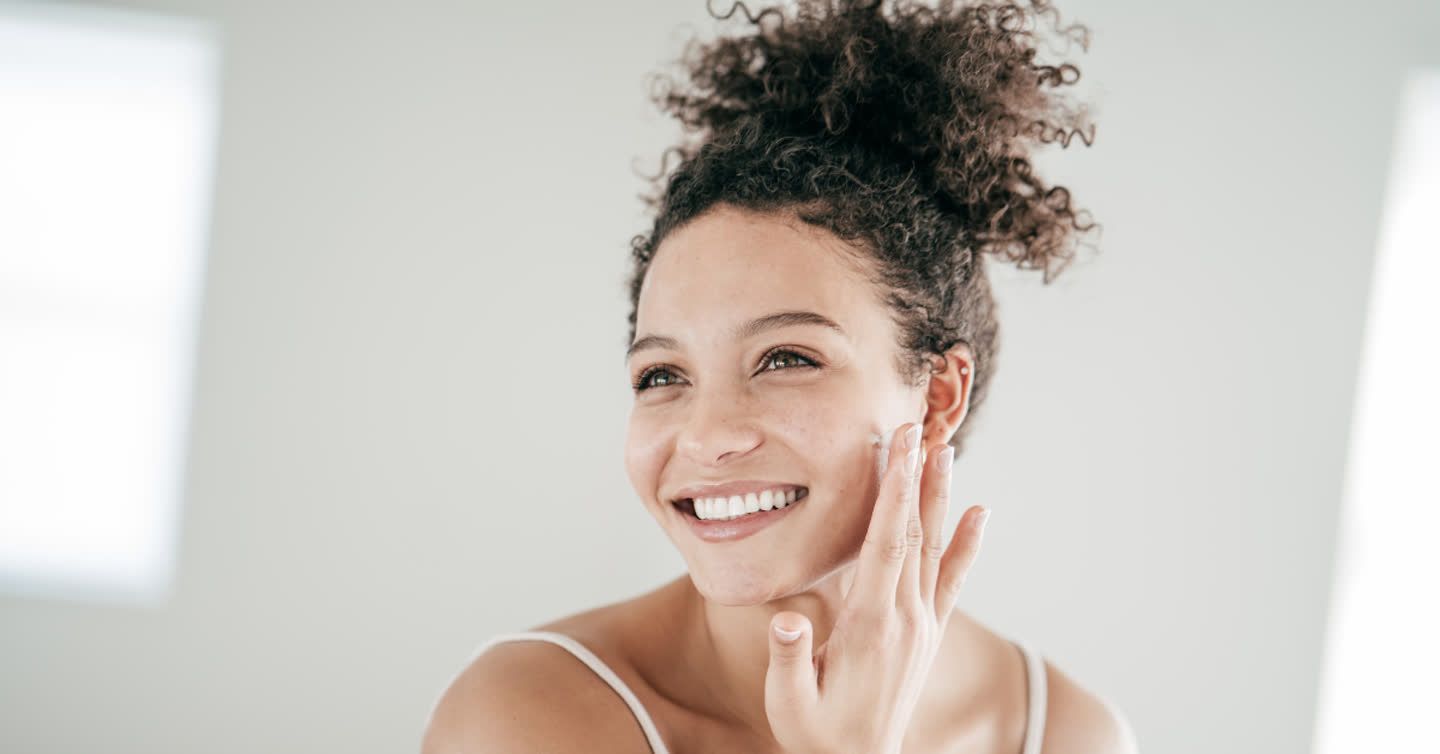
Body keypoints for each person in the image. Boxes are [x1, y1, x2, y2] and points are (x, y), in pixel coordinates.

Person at [423, 0, 1137, 751]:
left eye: (786, 359)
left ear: (936, 396)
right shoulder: (526, 717)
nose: (706, 436)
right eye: (662, 374)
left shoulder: (1067, 734)